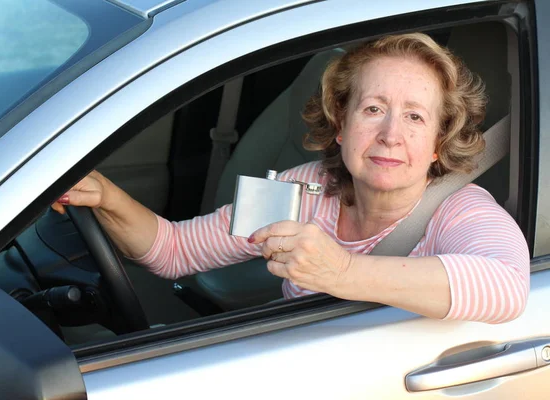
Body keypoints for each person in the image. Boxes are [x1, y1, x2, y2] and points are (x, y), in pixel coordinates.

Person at [52, 33, 529, 324]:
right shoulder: (306, 189)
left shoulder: (461, 210)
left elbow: (507, 287)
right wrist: (105, 196)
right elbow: (175, 251)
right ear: (340, 125)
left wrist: (340, 272)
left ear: (440, 143)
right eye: (373, 109)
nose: (389, 135)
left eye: (415, 118)